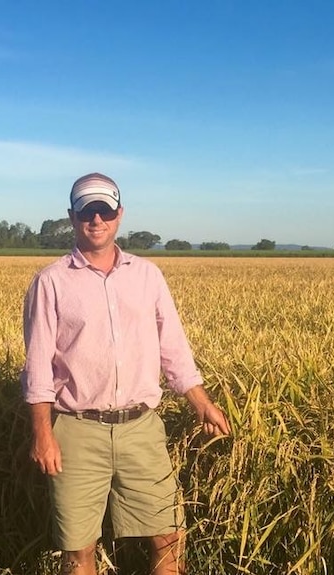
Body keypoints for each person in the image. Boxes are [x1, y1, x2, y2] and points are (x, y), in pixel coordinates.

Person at [21, 172, 231, 575]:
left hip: (142, 428)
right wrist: (43, 434)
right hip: (77, 431)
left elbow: (173, 346)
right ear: (72, 216)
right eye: (87, 210)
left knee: (169, 536)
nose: (96, 219)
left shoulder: (147, 275)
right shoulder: (51, 281)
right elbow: (38, 368)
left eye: (105, 209)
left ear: (119, 214)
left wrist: (200, 402)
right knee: (79, 549)